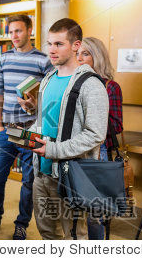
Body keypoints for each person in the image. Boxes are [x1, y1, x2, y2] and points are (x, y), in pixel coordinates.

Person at [29, 18, 109, 240]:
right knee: (47, 233)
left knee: (75, 236)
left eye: (58, 44)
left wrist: (53, 150)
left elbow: (95, 134)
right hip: (40, 173)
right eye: (49, 44)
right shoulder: (47, 79)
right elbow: (44, 120)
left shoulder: (91, 84)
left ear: (76, 45)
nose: (51, 50)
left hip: (69, 176)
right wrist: (30, 135)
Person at [0, 14, 52, 239]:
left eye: (18, 31)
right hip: (6, 129)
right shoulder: (3, 59)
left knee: (29, 181)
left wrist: (34, 105)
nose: (14, 36)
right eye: (11, 31)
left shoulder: (43, 60)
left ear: (29, 30)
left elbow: (47, 97)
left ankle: (21, 224)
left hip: (29, 129)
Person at [77, 37, 123, 240]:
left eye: (85, 54)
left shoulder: (110, 87)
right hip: (73, 150)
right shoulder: (73, 84)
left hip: (97, 153)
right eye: (77, 53)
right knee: (73, 209)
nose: (79, 58)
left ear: (97, 57)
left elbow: (117, 125)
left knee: (94, 214)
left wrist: (93, 114)